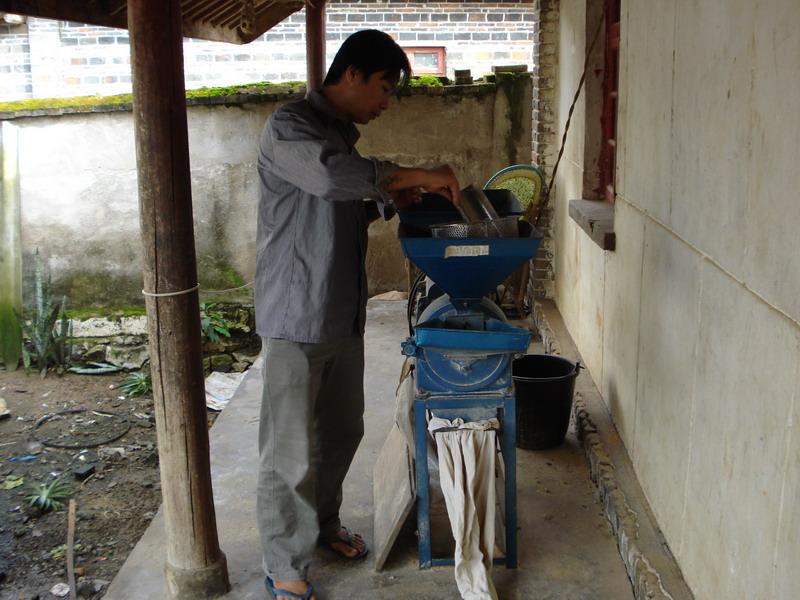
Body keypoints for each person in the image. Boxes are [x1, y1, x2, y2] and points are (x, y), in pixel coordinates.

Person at [254, 29, 461, 600]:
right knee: (289, 450)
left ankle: (320, 528)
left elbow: (346, 203)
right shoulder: (290, 126)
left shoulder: (341, 136)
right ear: (351, 75)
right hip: (296, 313)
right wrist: (416, 172)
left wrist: (394, 198)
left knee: (341, 432)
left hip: (341, 310)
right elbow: (327, 178)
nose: (387, 102)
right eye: (385, 87)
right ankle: (284, 563)